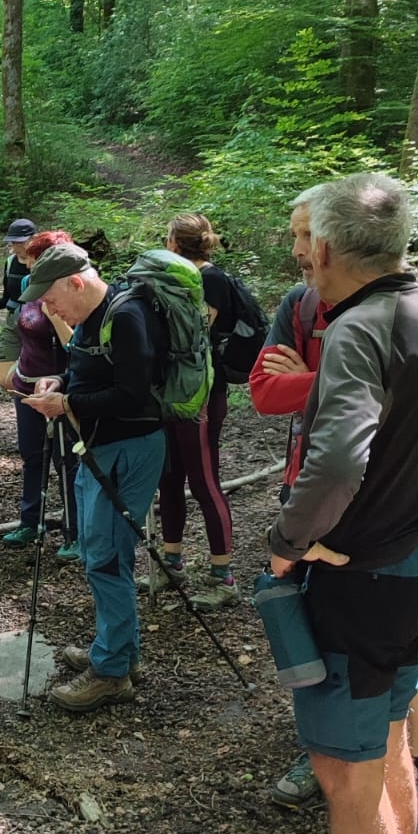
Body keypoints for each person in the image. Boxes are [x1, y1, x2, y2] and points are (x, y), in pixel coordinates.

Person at [253, 173, 418, 834]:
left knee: (345, 772)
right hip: (412, 570)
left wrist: (291, 539)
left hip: (362, 583)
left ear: (328, 248)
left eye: (305, 242)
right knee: (390, 743)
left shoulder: (360, 330)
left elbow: (336, 460)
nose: (300, 255)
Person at [22, 243, 168, 712]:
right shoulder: (93, 317)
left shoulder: (125, 317)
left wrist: (66, 404)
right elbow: (88, 371)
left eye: (51, 299)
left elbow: (132, 394)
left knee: (106, 556)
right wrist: (60, 383)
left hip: (128, 450)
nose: (50, 310)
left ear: (76, 283)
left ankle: (110, 672)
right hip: (100, 448)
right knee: (97, 550)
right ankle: (119, 649)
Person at [153, 214, 238, 609]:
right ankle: (172, 561)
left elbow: (193, 333)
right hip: (172, 390)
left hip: (201, 393)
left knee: (204, 480)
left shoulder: (211, 279)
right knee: (169, 477)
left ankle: (224, 576)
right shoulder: (177, 277)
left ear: (175, 242)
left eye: (167, 236)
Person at [0, 230, 79, 558]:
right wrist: (12, 369)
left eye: (34, 260)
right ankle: (30, 521)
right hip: (25, 387)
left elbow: (75, 345)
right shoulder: (30, 287)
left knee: (66, 459)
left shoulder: (65, 294)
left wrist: (53, 317)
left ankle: (74, 531)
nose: (28, 266)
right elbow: (19, 329)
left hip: (56, 390)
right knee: (32, 456)